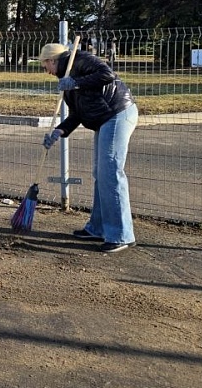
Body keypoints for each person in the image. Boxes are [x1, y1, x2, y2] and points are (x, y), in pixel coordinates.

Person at [39, 42, 139, 253]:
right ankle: (98, 227)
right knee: (100, 173)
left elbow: (107, 74)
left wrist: (75, 82)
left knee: (110, 172)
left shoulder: (79, 60)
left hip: (117, 113)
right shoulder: (66, 84)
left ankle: (121, 235)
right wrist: (59, 131)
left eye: (44, 65)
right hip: (103, 120)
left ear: (52, 60)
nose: (45, 71)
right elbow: (77, 113)